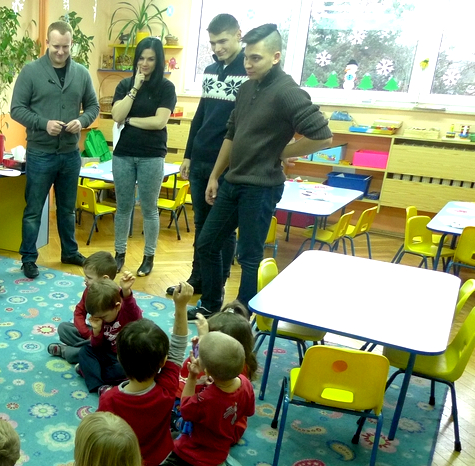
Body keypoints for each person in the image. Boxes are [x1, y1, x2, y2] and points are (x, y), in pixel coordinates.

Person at [191, 23, 333, 319]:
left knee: (249, 255)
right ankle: (211, 303)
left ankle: (242, 314)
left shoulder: (287, 92)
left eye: (255, 58)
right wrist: (215, 175)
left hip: (261, 187)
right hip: (233, 181)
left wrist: (280, 152)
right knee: (207, 243)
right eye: (246, 57)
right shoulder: (246, 88)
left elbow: (323, 136)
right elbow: (231, 134)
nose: (248, 64)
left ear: (275, 57)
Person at [10, 20, 100, 279]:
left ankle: (69, 252)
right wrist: (43, 123)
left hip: (70, 154)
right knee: (34, 210)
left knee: (68, 209)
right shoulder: (31, 72)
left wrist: (82, 121)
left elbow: (93, 107)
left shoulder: (81, 74)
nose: (61, 52)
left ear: (72, 44)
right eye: (56, 46)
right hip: (40, 153)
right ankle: (28, 258)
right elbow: (16, 109)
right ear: (47, 43)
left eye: (66, 47)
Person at [171, 13, 247, 297]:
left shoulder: (249, 72)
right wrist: (188, 154)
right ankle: (197, 279)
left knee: (221, 229)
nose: (218, 48)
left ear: (239, 35)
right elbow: (200, 115)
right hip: (201, 159)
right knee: (202, 225)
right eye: (213, 43)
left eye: (223, 41)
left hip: (226, 164)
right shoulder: (211, 70)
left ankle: (218, 283)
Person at [98, 284, 194, 466]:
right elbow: (178, 346)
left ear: (119, 358)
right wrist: (181, 306)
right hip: (157, 460)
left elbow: (101, 441)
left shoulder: (109, 399)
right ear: (163, 361)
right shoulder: (167, 387)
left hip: (124, 465)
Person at [110, 36, 177, 277]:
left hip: (152, 156)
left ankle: (149, 257)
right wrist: (135, 88)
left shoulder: (166, 88)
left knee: (149, 209)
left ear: (158, 61)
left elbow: (159, 122)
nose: (145, 64)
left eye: (150, 59)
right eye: (141, 58)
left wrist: (130, 121)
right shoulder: (125, 85)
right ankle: (119, 254)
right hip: (123, 155)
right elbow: (116, 115)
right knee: (123, 208)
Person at [175, 331, 256, 466]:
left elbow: (185, 408)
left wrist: (192, 377)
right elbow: (249, 411)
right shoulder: (246, 383)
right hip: (223, 441)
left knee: (168, 461)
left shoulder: (206, 399)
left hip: (199, 450)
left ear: (207, 372)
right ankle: (222, 461)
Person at [47, 250, 117, 363]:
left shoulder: (116, 295)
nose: (85, 280)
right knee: (64, 328)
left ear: (105, 278)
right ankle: (86, 350)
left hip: (110, 339)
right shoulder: (89, 290)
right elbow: (79, 312)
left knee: (104, 351)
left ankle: (68, 351)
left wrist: (97, 338)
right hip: (93, 333)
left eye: (89, 277)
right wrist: (87, 334)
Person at [76, 273, 142, 393]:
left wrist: (126, 291)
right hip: (109, 353)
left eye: (103, 316)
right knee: (85, 351)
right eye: (97, 317)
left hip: (127, 357)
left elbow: (130, 305)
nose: (101, 320)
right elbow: (97, 346)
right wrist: (96, 331)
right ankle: (99, 386)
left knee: (126, 370)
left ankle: (87, 371)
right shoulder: (100, 318)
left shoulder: (128, 313)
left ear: (117, 306)